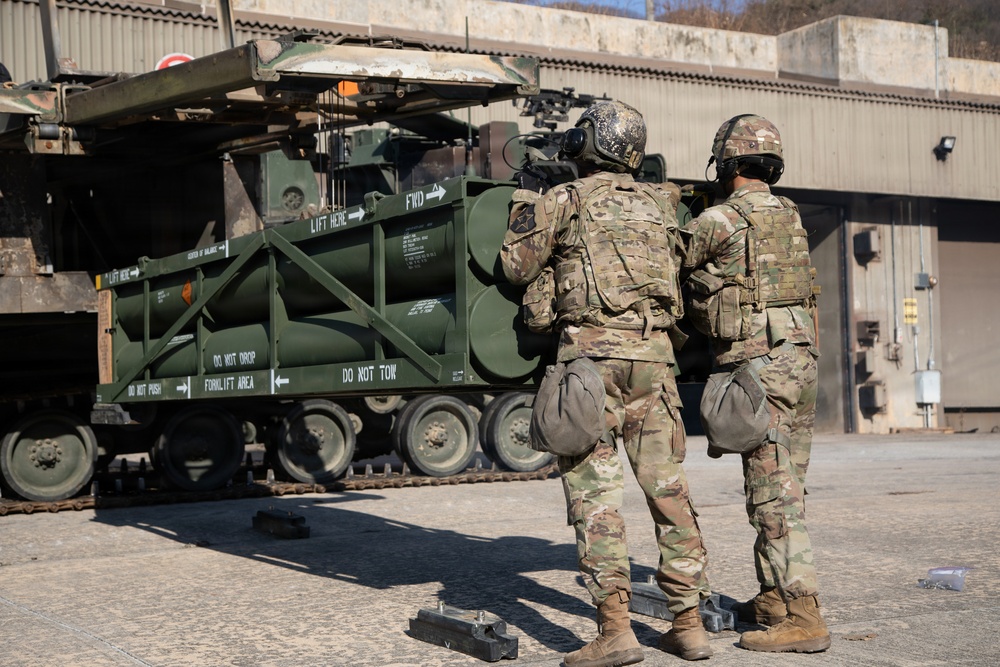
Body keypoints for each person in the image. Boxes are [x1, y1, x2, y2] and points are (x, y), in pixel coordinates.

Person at [501, 100, 713, 666]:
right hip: (655, 362)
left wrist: (527, 198)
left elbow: (516, 268)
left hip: (590, 365)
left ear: (588, 143)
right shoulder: (664, 204)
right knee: (668, 491)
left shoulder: (564, 200)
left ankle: (616, 630)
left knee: (596, 498)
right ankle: (688, 624)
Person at [680, 114, 830, 653]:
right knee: (789, 484)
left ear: (729, 163)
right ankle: (774, 597)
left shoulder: (720, 219)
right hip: (801, 360)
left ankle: (804, 615)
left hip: (761, 365)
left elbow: (674, 263)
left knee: (772, 491)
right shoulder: (790, 214)